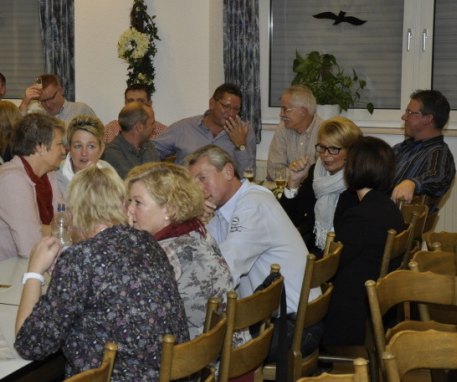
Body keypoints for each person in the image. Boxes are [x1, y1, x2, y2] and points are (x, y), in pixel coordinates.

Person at [14, 165, 192, 382]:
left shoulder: (81, 257)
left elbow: (30, 344)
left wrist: (34, 273)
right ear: (123, 205)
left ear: (74, 213)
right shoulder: (148, 242)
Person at [186, 145, 320, 358]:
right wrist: (196, 226)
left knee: (200, 351)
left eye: (203, 178)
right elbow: (205, 259)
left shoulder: (253, 204)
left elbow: (223, 271)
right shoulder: (219, 210)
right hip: (276, 316)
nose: (198, 189)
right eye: (193, 183)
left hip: (294, 325)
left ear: (228, 171)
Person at [125, 162, 233, 339]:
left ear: (168, 209)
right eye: (129, 201)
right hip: (226, 344)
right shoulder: (198, 232)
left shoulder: (161, 254)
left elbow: (136, 318)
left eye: (138, 202)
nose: (129, 210)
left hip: (194, 352)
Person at [322, 136, 407, 348]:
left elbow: (331, 266)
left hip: (349, 312)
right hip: (374, 298)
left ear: (352, 170)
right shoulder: (389, 209)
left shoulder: (360, 216)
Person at [0, 113, 65, 268]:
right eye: (59, 144)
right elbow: (30, 246)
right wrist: (53, 230)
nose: (63, 150)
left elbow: (64, 220)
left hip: (23, 267)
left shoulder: (48, 174)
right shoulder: (12, 180)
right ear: (40, 147)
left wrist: (47, 229)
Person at [279, 117, 362, 253]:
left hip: (347, 255)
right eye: (322, 147)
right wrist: (293, 182)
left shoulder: (358, 181)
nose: (325, 154)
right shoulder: (316, 173)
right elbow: (289, 220)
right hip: (316, 251)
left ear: (351, 151)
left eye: (334, 148)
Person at [152, 83, 257, 172]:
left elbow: (248, 175)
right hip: (187, 188)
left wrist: (241, 146)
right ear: (212, 103)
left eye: (236, 109)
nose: (231, 113)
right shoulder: (184, 128)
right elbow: (150, 150)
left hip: (225, 190)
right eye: (226, 106)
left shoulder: (244, 131)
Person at [391, 90, 455, 209]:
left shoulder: (438, 152)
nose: (404, 117)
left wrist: (412, 183)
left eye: (409, 112)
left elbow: (438, 179)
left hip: (391, 216)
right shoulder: (402, 147)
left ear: (428, 118)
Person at [267, 84, 323, 181]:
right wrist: (300, 175)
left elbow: (324, 173)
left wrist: (292, 173)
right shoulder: (282, 129)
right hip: (288, 188)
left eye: (285, 109)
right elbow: (273, 170)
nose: (281, 114)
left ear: (303, 111)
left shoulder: (324, 131)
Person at [56, 115, 113, 196]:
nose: (84, 153)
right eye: (78, 146)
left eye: (91, 146)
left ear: (101, 150)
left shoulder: (107, 169)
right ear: (70, 148)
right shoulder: (57, 174)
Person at [102, 101, 160, 179]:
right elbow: (130, 184)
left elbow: (160, 178)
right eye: (152, 123)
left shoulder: (149, 146)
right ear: (139, 127)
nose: (154, 127)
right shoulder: (112, 153)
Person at [19, 73, 96, 126]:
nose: (48, 105)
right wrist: (24, 104)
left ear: (61, 91)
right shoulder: (39, 118)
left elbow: (98, 137)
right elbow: (19, 133)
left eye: (50, 98)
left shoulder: (80, 110)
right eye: (43, 101)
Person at [103, 84, 167, 143]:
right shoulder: (111, 129)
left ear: (149, 104)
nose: (135, 105)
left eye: (140, 101)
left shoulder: (163, 133)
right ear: (125, 103)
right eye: (131, 101)